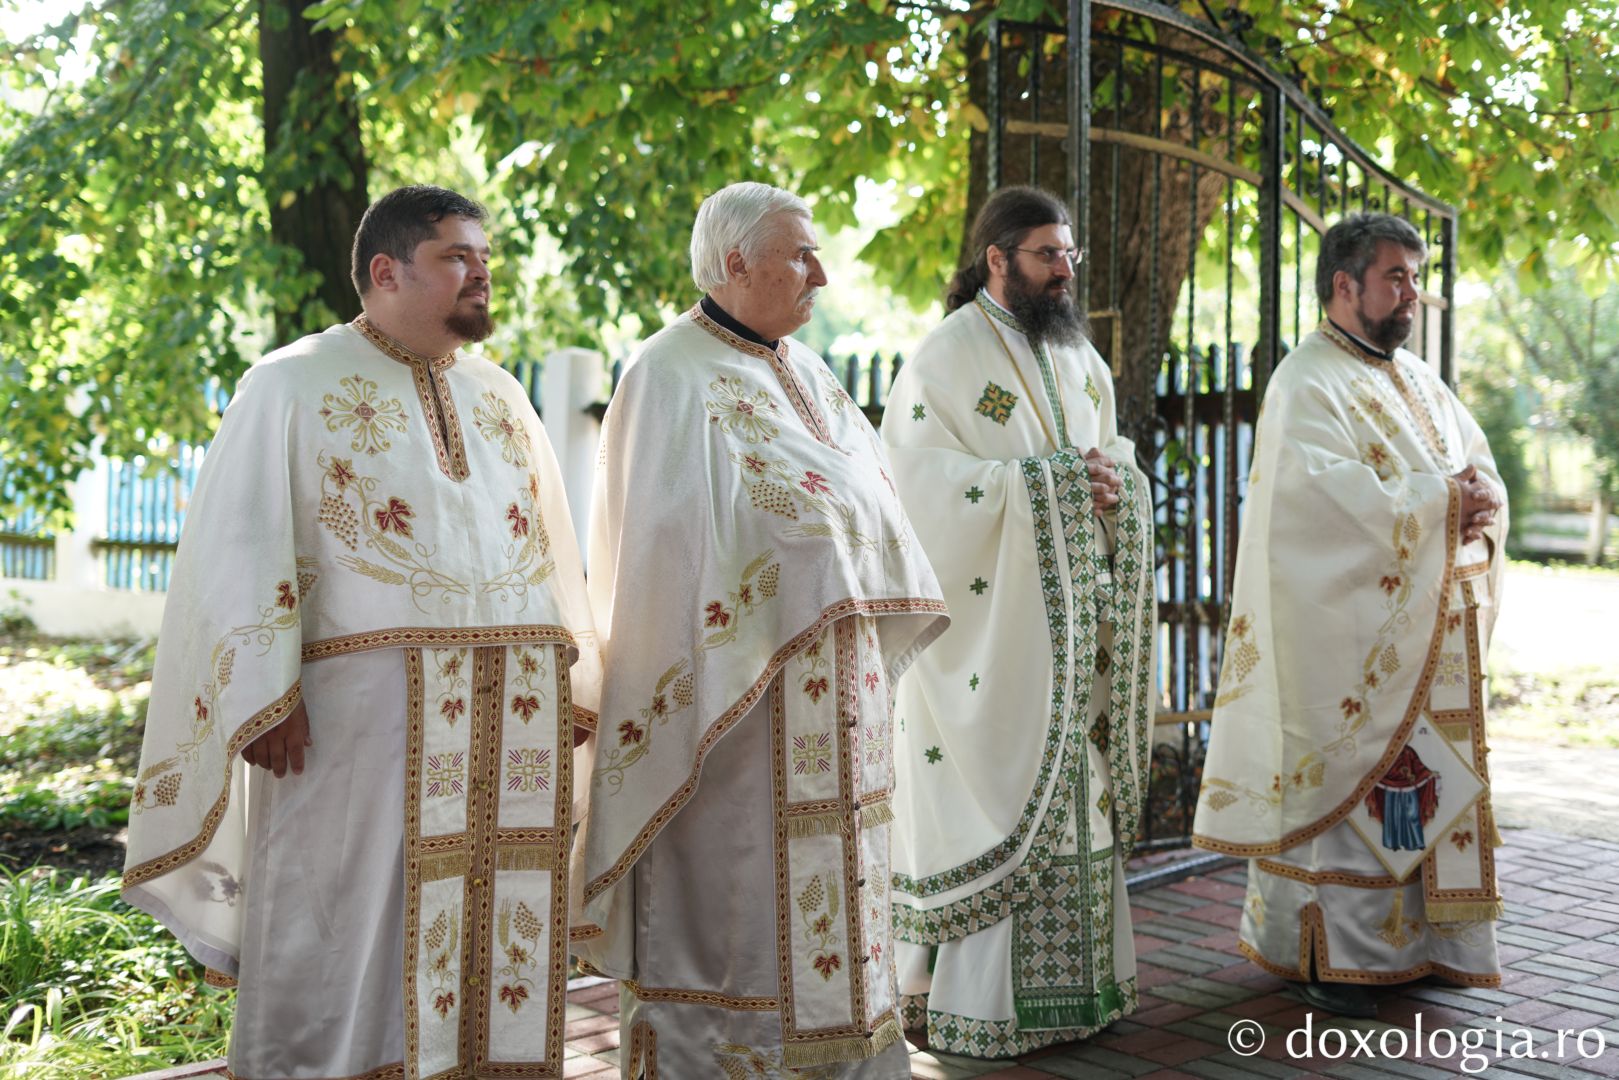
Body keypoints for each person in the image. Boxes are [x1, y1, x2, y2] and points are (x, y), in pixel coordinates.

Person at [122, 185, 601, 1077]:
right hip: (355, 728)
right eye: (458, 258)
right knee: (347, 914)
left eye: (484, 260)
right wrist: (262, 691)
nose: (481, 275)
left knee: (493, 926)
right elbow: (239, 536)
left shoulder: (499, 395)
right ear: (386, 271)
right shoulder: (290, 382)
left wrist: (570, 685)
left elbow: (548, 549)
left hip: (506, 729)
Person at [569, 181, 947, 1077]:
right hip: (735, 715)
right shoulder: (665, 372)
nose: (820, 270)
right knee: (743, 919)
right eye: (800, 253)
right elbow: (664, 551)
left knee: (840, 904)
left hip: (837, 708)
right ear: (736, 262)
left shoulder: (807, 371)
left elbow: (871, 512)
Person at [1192, 212, 1507, 1017]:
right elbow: (1313, 506)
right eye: (1395, 276)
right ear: (1344, 284)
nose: (1411, 294)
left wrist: (1476, 498)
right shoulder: (1306, 380)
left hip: (1425, 630)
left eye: (1414, 276)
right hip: (1344, 642)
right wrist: (1442, 501)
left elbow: (1473, 464)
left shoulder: (1420, 380)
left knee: (1422, 788)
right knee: (1352, 784)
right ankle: (1331, 953)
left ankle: (1424, 943)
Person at [880, 185, 1157, 1058]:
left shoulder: (1079, 356)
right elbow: (917, 489)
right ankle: (981, 1008)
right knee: (996, 799)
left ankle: (1081, 995)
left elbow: (1112, 457)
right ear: (996, 260)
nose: (1065, 270)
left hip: (1073, 637)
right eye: (1047, 255)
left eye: (1069, 253)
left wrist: (1113, 486)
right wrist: (1053, 485)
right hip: (991, 641)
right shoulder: (945, 360)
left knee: (1083, 801)